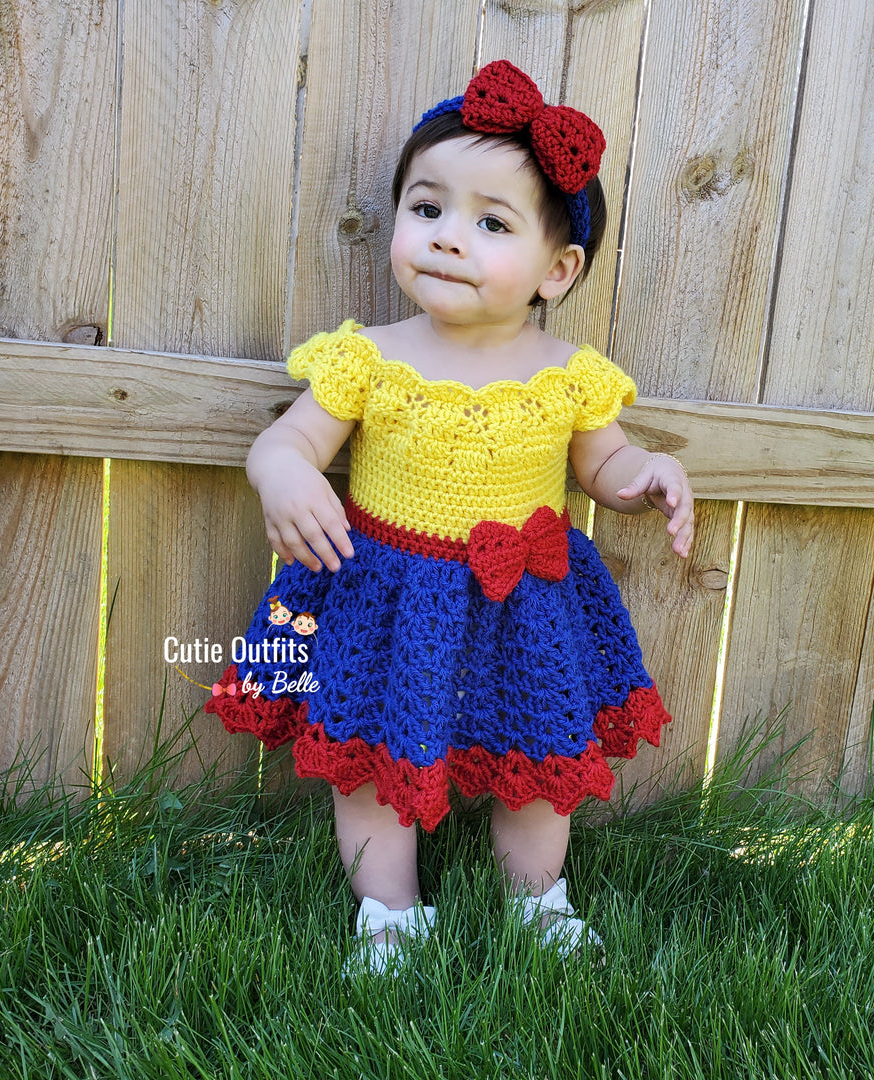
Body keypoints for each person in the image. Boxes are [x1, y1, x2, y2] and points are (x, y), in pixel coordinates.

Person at [205, 59, 694, 974]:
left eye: (491, 222)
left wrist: (646, 473)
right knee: (372, 765)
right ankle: (389, 913)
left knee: (541, 761)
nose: (447, 239)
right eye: (426, 210)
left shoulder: (567, 374)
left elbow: (604, 465)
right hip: (385, 598)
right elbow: (291, 441)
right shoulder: (370, 360)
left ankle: (537, 900)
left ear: (558, 269)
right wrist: (279, 474)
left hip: (527, 604)